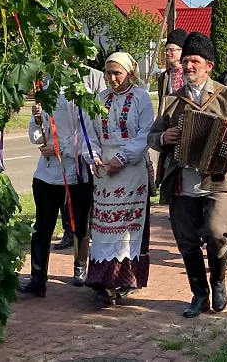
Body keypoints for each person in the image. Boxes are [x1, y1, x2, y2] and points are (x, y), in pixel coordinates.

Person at [148, 32, 227, 317]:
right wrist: (163, 137)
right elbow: (153, 135)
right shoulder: (172, 100)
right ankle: (199, 293)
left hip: (217, 179)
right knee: (186, 240)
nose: (188, 66)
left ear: (209, 65)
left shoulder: (226, 94)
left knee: (218, 233)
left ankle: (218, 281)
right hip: (182, 181)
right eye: (185, 61)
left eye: (194, 61)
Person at [17, 69, 104, 297]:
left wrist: (61, 147)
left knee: (80, 223)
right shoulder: (45, 92)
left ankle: (80, 266)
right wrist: (37, 121)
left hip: (75, 173)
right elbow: (36, 136)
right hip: (47, 174)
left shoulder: (80, 93)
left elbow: (86, 136)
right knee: (42, 227)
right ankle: (38, 278)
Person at [85, 53, 155, 304]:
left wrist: (122, 158)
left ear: (130, 73)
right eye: (108, 73)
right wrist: (93, 156)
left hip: (130, 170)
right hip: (104, 170)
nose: (112, 78)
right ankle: (101, 280)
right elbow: (90, 132)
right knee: (104, 227)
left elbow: (145, 133)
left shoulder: (141, 98)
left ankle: (123, 280)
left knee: (125, 228)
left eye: (117, 73)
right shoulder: (100, 99)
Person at [53, 68, 107, 251]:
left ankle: (83, 248)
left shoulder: (95, 76)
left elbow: (97, 113)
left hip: (85, 152)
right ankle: (68, 230)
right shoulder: (56, 77)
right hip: (64, 154)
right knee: (64, 196)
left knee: (83, 201)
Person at [155, 28, 188, 193]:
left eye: (172, 49)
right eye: (166, 49)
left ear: (182, 51)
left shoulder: (190, 73)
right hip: (170, 127)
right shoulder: (164, 77)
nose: (168, 53)